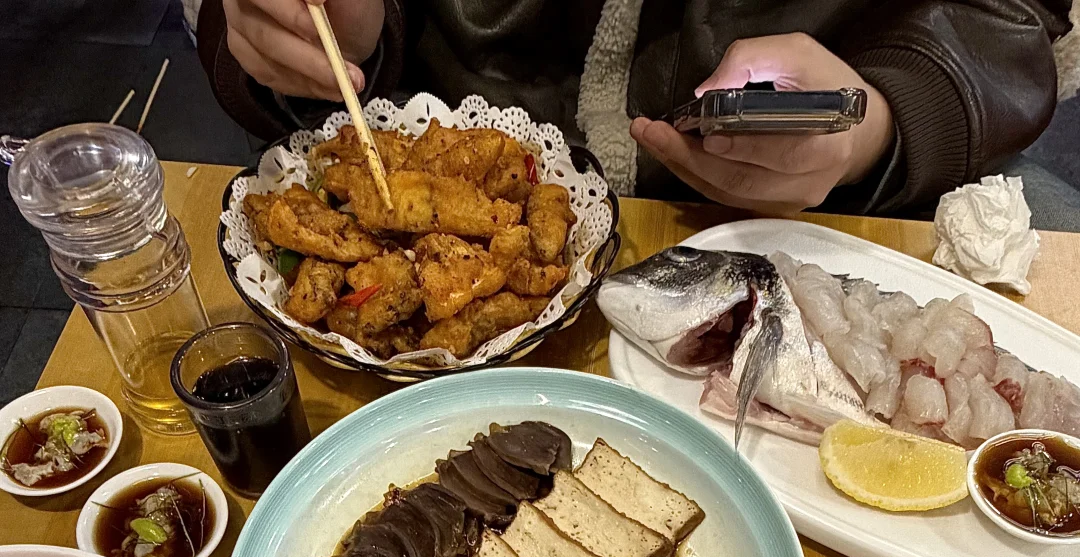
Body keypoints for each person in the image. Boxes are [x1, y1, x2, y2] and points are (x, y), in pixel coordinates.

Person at [197, 0, 1073, 217]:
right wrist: (310, 38)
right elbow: (264, 31)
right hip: (430, 141)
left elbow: (1010, 16)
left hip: (825, 197)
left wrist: (879, 123)